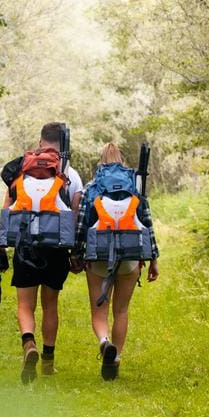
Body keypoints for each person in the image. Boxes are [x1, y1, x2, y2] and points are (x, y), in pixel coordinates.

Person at [0, 122, 83, 383]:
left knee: (25, 304)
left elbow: (7, 207)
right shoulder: (70, 175)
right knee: (50, 305)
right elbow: (74, 216)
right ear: (64, 145)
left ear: (41, 143)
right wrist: (75, 252)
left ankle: (28, 343)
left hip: (24, 245)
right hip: (55, 248)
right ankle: (48, 363)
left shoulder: (22, 171)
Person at [74, 142, 159, 381]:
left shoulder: (93, 187)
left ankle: (104, 342)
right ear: (122, 160)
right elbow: (147, 224)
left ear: (100, 161)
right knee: (121, 310)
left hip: (99, 255)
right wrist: (153, 259)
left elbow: (82, 225)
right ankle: (117, 357)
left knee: (98, 312)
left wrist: (77, 254)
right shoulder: (136, 185)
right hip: (131, 255)